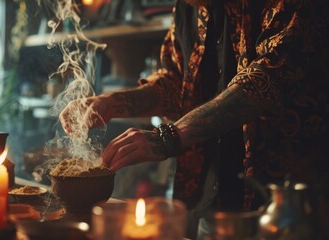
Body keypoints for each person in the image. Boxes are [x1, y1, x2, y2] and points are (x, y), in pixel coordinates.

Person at [60, 0, 329, 238]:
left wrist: (168, 137)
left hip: (289, 206)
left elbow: (267, 80)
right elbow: (177, 81)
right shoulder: (189, 8)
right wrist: (113, 103)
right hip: (209, 198)